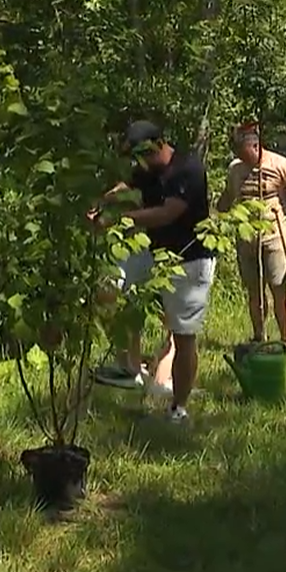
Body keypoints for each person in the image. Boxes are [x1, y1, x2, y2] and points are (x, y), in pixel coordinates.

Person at [89, 120, 216, 423]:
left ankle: (178, 408)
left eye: (143, 154)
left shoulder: (187, 169)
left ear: (158, 144)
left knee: (183, 334)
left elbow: (167, 212)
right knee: (108, 287)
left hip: (189, 259)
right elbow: (128, 186)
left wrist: (120, 219)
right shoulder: (148, 169)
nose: (140, 162)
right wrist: (102, 201)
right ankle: (129, 367)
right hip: (154, 252)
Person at [216, 122, 286, 349]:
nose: (240, 157)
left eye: (243, 152)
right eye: (237, 152)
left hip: (274, 236)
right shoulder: (235, 169)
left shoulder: (280, 165)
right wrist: (216, 215)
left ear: (255, 146)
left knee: (279, 288)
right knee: (254, 291)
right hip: (245, 238)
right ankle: (259, 337)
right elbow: (227, 198)